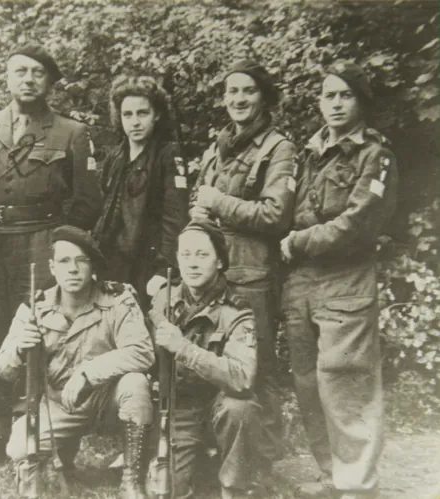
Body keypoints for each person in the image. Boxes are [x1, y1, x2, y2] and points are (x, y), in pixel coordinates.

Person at [0, 43, 103, 465]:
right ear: (6, 78)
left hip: (43, 242)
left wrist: (60, 248)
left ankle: (48, 428)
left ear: (50, 82)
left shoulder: (71, 132)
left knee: (48, 331)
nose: (28, 79)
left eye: (38, 73)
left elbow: (86, 202)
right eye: (19, 71)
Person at [279, 62, 397, 499]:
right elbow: (286, 209)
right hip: (302, 283)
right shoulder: (310, 153)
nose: (335, 103)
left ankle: (358, 485)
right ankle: (331, 474)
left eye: (344, 95)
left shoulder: (376, 155)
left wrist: (299, 241)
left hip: (346, 278)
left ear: (361, 102)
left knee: (346, 381)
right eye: (329, 95)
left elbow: (359, 222)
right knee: (308, 382)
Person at [0, 225, 155, 499]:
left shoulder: (118, 299)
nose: (73, 269)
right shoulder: (35, 306)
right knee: (19, 448)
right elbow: (2, 369)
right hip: (59, 403)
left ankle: (132, 476)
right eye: (64, 261)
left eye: (81, 260)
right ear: (52, 267)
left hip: (107, 399)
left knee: (136, 384)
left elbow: (142, 351)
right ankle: (61, 455)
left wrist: (88, 373)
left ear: (92, 266)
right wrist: (20, 348)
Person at [190, 59, 298, 463]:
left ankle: (264, 462)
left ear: (264, 97)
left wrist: (217, 202)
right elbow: (199, 208)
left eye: (248, 91)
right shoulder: (215, 149)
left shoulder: (278, 147)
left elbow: (275, 215)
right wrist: (199, 217)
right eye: (232, 91)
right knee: (212, 359)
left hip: (252, 273)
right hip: (213, 273)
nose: (238, 99)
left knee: (258, 368)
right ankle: (215, 453)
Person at [149, 220, 262, 499]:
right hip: (179, 410)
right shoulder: (164, 299)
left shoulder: (237, 311)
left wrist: (184, 348)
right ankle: (197, 460)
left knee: (241, 406)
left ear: (220, 262)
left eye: (202, 255)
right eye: (185, 255)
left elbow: (241, 377)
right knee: (168, 490)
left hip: (217, 406)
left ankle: (234, 487)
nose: (193, 264)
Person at [93, 75, 188, 308]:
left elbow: (175, 217)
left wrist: (164, 270)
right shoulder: (115, 157)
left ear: (156, 115)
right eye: (128, 114)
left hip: (148, 266)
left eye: (142, 113)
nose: (135, 122)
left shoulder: (168, 154)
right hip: (113, 263)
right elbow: (103, 213)